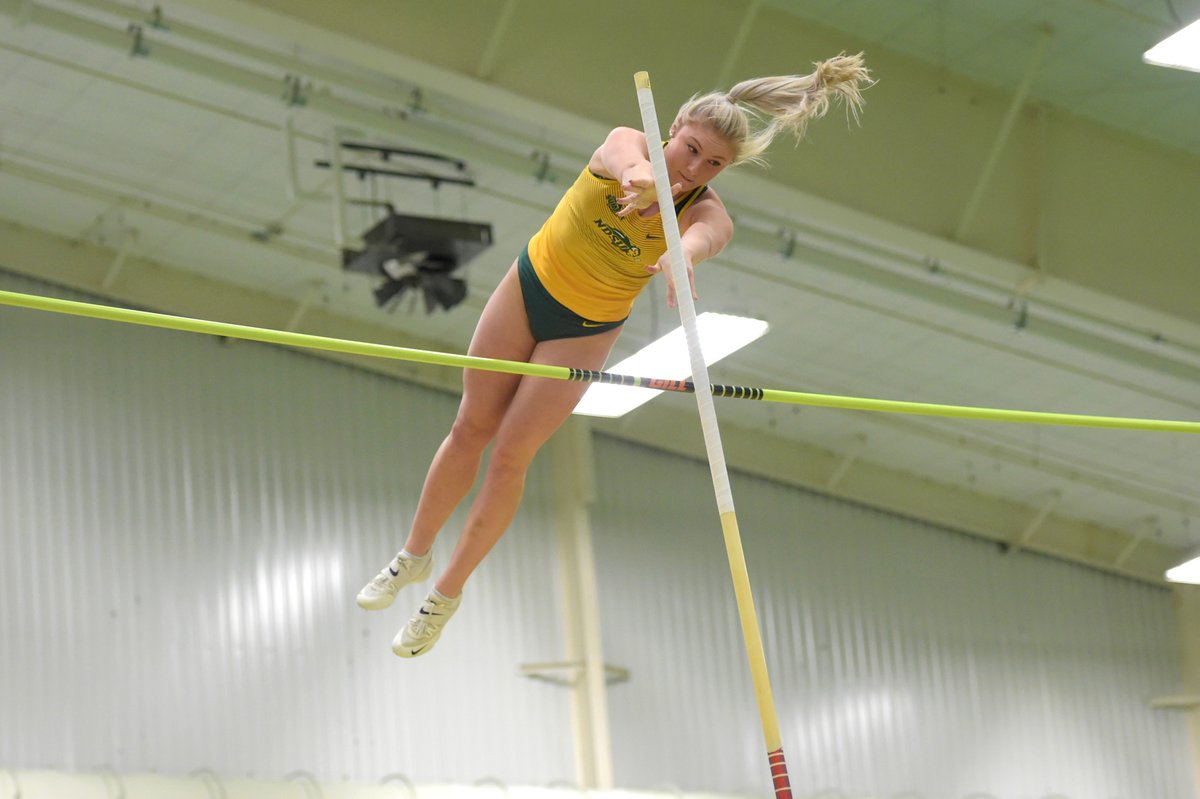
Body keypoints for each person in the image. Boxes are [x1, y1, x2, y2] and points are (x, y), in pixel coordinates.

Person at [357, 53, 874, 657]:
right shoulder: (626, 144)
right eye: (691, 149)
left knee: (510, 457)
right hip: (529, 287)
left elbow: (705, 237)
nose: (696, 167)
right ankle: (413, 556)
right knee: (471, 426)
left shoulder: (705, 212)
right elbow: (628, 166)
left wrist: (682, 254)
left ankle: (444, 594)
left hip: (583, 328)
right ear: (673, 127)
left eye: (714, 164)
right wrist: (644, 181)